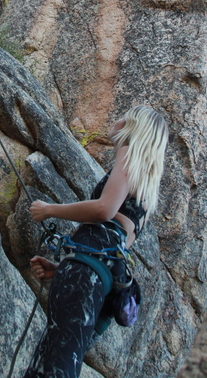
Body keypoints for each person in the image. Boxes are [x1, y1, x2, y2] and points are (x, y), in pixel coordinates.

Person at [24, 105, 169, 378]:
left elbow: (104, 210)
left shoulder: (128, 155)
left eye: (123, 115)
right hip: (99, 278)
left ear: (133, 126)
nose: (116, 118)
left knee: (52, 361)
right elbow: (112, 245)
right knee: (60, 357)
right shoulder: (146, 196)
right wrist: (64, 265)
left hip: (85, 272)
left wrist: (50, 209)